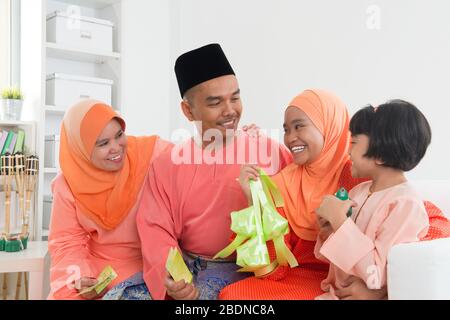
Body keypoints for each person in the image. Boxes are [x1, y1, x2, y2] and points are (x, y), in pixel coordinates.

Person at [136, 43, 293, 300]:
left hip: (246, 272)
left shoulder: (269, 151)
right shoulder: (167, 164)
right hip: (186, 267)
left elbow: (297, 203)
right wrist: (174, 278)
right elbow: (156, 230)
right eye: (215, 102)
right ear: (188, 110)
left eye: (235, 97)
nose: (230, 110)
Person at [47, 100, 172, 300]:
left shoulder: (148, 153)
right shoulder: (67, 183)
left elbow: (191, 160)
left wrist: (234, 143)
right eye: (103, 144)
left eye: (119, 135)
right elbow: (66, 242)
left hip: (152, 262)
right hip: (97, 271)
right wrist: (80, 276)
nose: (117, 148)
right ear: (82, 149)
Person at [314, 100, 431, 299]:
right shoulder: (358, 192)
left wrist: (341, 224)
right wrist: (329, 230)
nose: (348, 151)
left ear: (379, 154)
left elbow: (378, 275)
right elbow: (334, 259)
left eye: (354, 143)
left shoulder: (404, 205)